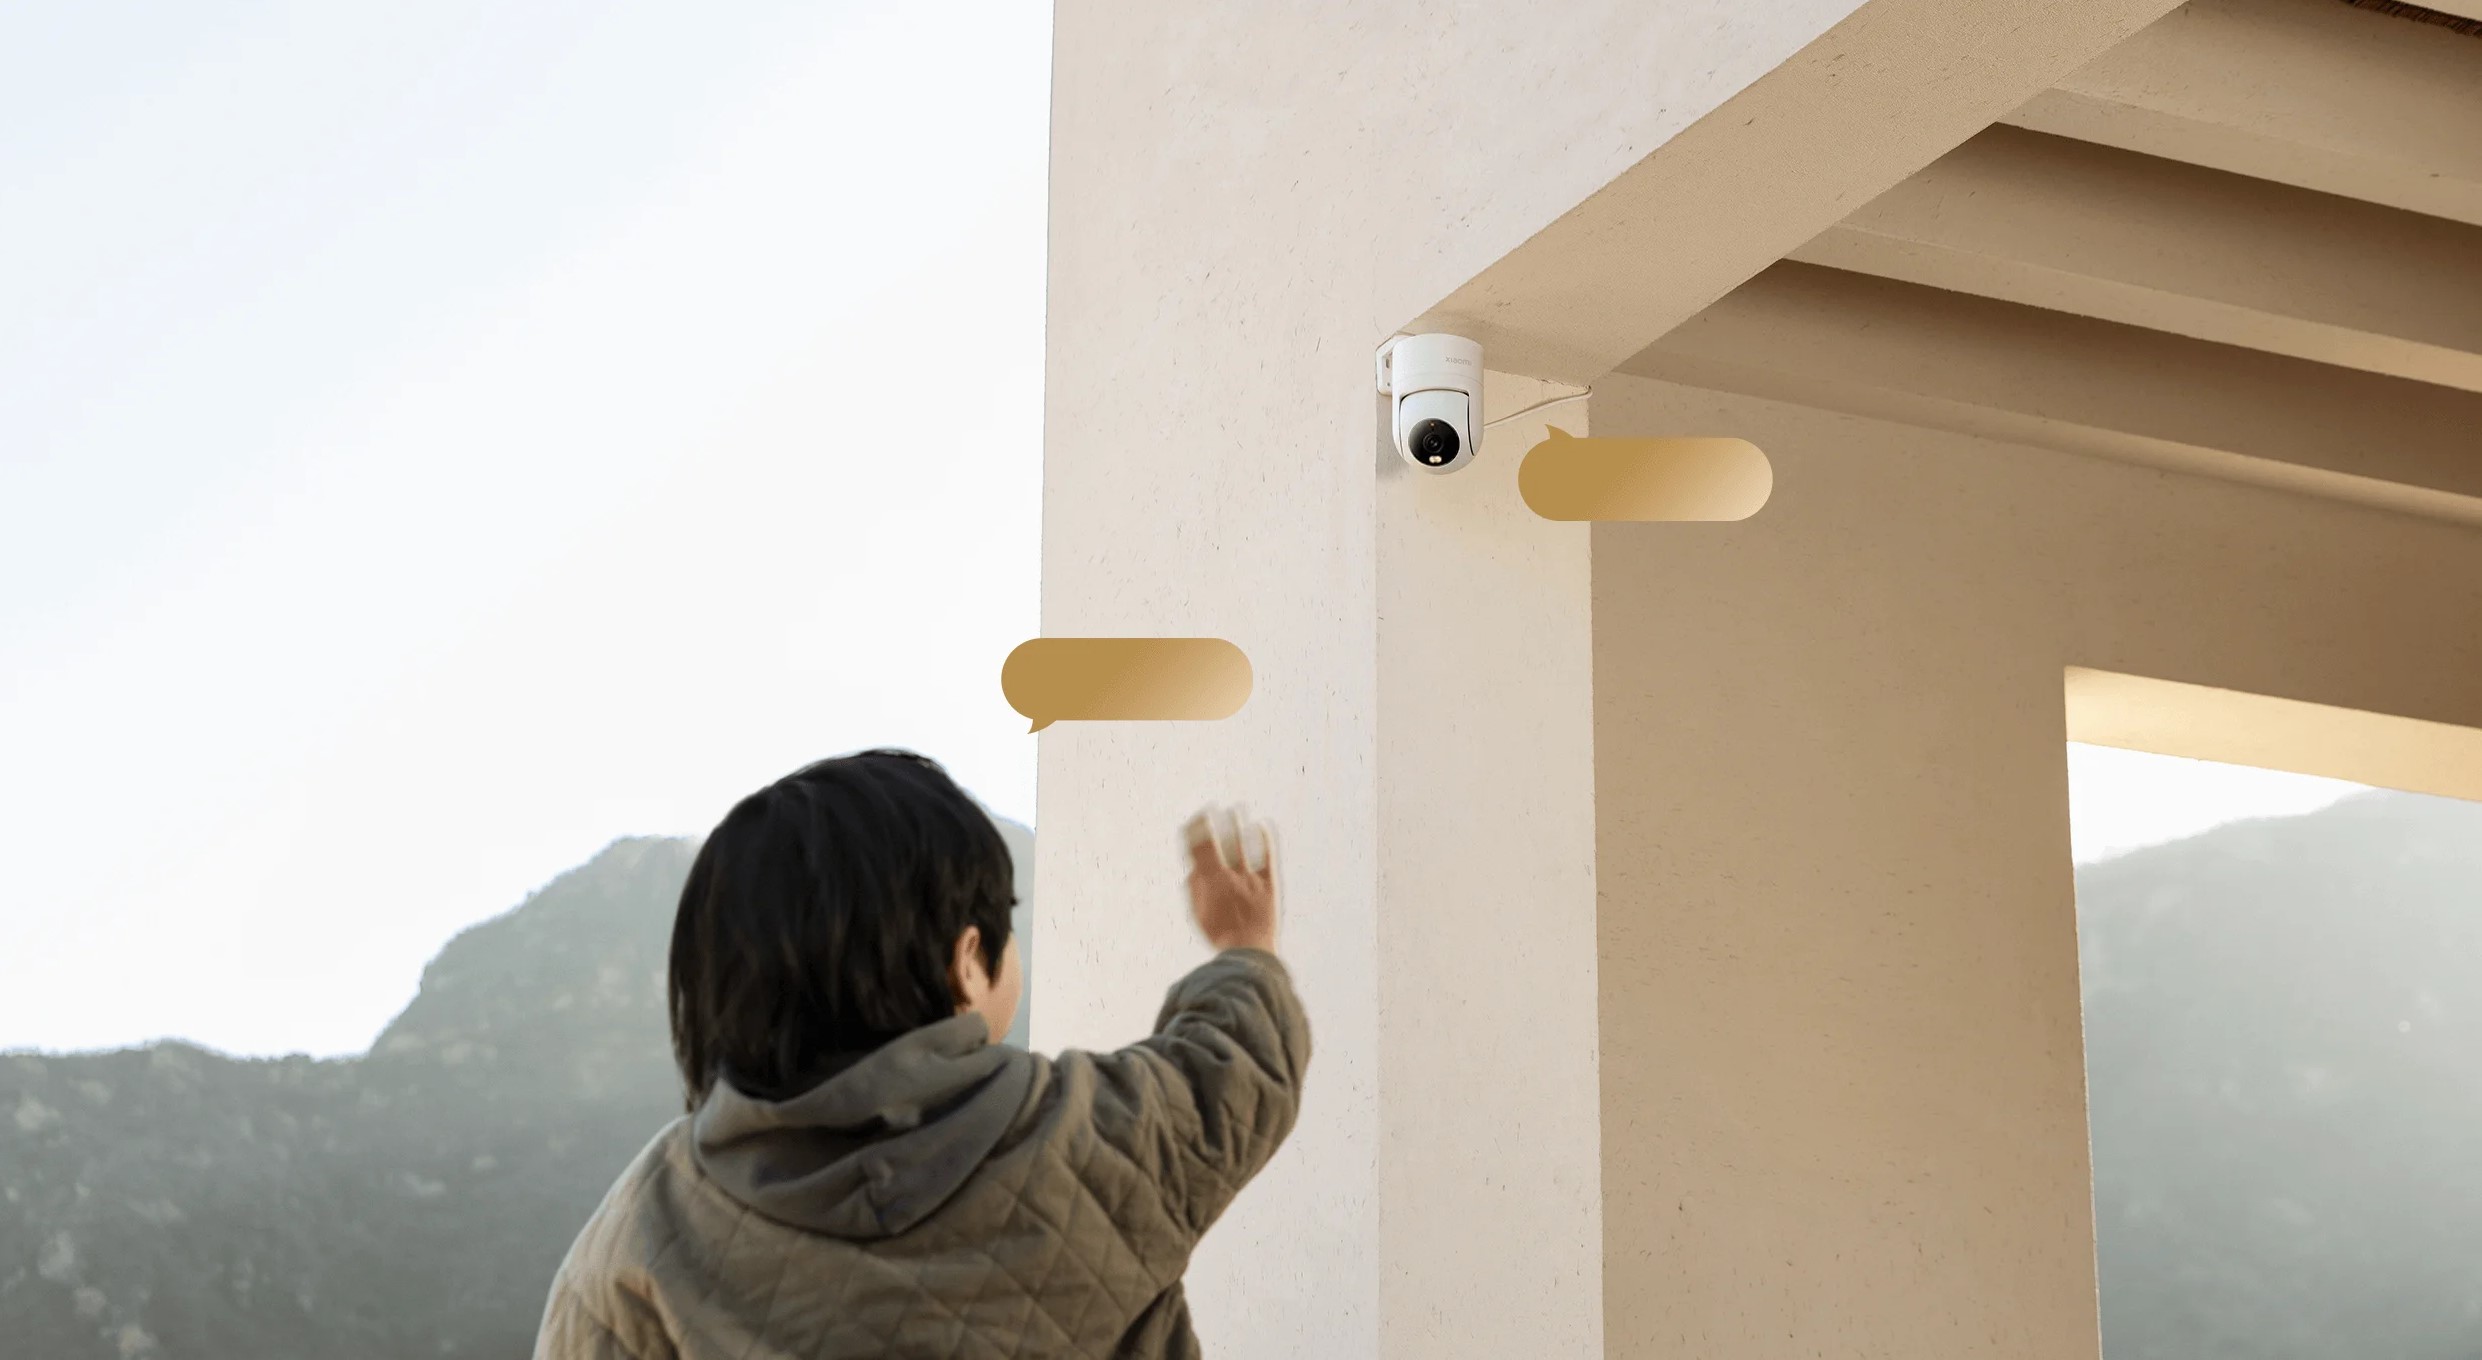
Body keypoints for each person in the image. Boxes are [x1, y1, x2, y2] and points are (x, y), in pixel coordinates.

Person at [534, 748, 1310, 1359]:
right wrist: (1244, 945)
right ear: (968, 962)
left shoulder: (641, 1235)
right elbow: (1235, 1068)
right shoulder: (1095, 1138)